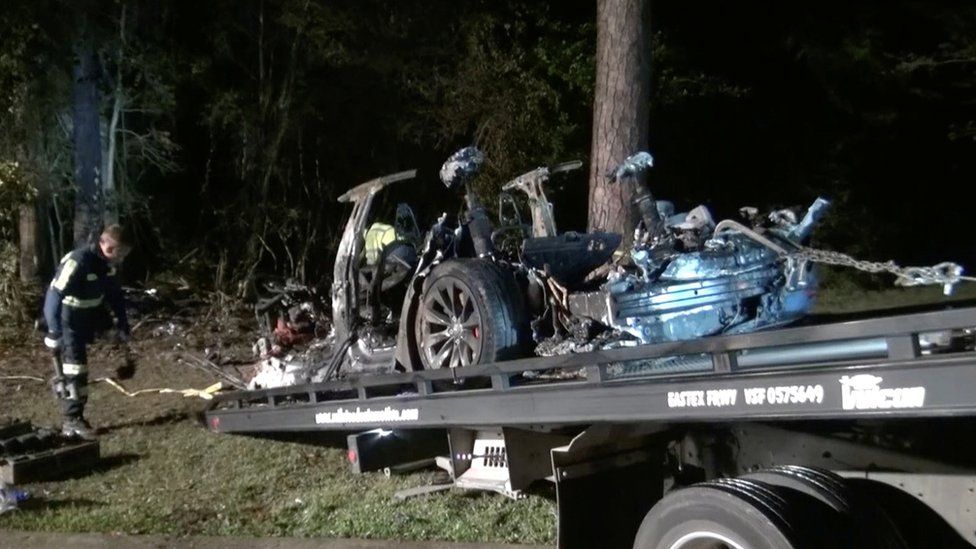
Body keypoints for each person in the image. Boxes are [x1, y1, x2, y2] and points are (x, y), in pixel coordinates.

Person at [42, 224, 132, 440]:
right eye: (121, 252)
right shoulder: (78, 261)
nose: (121, 258)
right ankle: (72, 420)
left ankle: (76, 417)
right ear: (108, 246)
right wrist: (54, 332)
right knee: (75, 370)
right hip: (69, 320)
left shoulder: (107, 265)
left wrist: (122, 325)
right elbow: (53, 297)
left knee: (83, 366)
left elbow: (115, 296)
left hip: (92, 315)